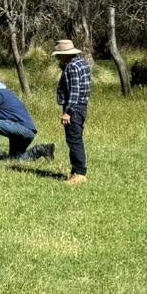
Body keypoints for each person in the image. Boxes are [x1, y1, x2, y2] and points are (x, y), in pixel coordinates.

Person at [54, 38, 91, 185]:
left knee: (74, 140)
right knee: (76, 139)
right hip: (82, 106)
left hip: (74, 108)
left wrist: (68, 112)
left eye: (59, 55)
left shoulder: (71, 67)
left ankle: (79, 174)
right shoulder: (82, 63)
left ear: (65, 54)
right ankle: (76, 171)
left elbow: (74, 91)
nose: (57, 58)